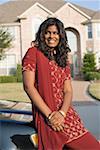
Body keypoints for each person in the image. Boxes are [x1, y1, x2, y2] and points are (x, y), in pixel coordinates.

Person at [22, 18, 100, 150]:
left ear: (61, 36)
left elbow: (68, 90)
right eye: (48, 32)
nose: (52, 36)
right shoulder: (33, 53)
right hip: (46, 113)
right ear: (42, 34)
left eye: (55, 33)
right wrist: (51, 116)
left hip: (66, 114)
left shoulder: (62, 58)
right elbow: (29, 87)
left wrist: (62, 114)